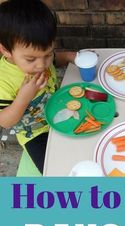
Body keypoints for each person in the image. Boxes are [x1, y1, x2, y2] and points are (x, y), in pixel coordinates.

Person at [0, 0, 76, 175]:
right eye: (31, 59)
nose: (42, 64)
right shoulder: (4, 80)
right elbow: (5, 121)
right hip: (35, 134)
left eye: (47, 54)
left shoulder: (40, 57)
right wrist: (23, 97)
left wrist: (71, 56)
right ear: (6, 50)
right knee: (54, 171)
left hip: (60, 112)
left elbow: (57, 58)